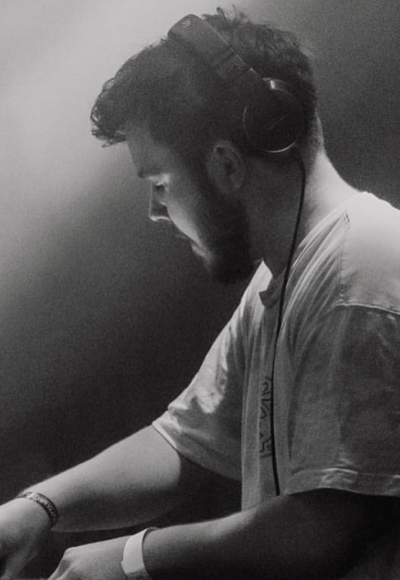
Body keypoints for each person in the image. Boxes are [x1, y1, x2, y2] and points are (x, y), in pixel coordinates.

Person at [1, 8, 400, 580]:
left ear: (227, 165)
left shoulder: (358, 270)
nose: (155, 211)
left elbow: (323, 528)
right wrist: (38, 509)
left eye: (160, 183)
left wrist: (132, 559)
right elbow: (185, 442)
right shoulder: (285, 277)